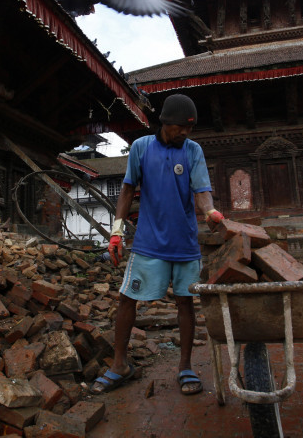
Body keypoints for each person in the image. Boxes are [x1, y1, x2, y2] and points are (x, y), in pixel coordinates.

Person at [90, 93, 223, 397]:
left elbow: (202, 191)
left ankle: (185, 367)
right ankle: (120, 365)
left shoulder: (192, 150)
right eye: (180, 127)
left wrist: (210, 212)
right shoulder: (141, 148)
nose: (185, 132)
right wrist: (116, 233)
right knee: (127, 298)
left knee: (185, 302)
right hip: (148, 242)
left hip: (185, 243)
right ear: (165, 122)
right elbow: (127, 190)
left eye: (190, 128)